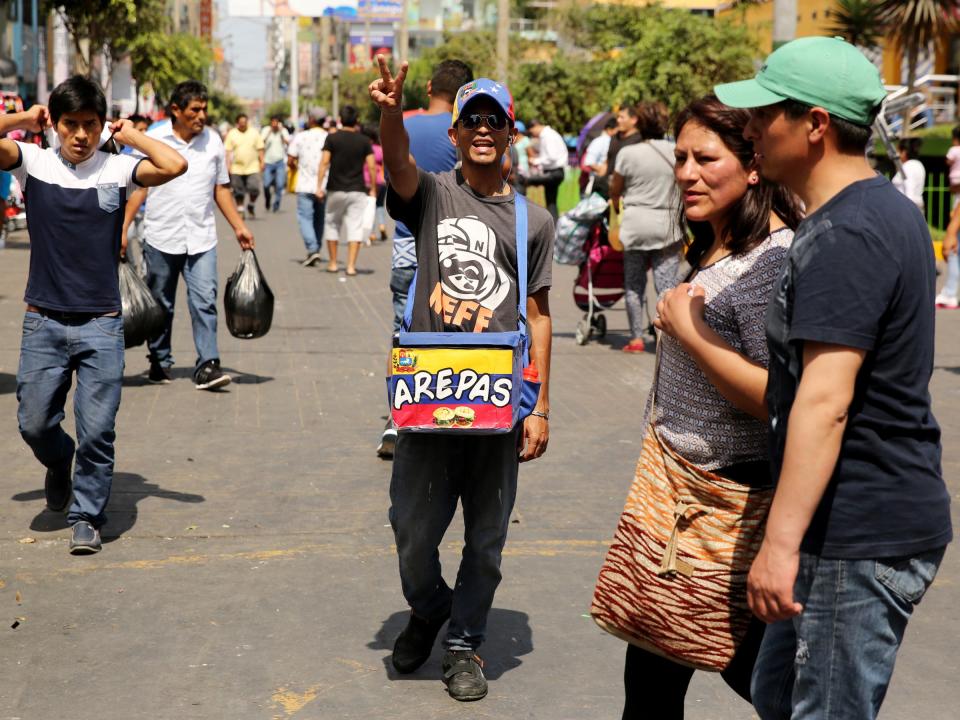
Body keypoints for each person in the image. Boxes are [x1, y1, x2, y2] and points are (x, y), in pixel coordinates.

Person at [716, 36, 952, 719]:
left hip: (860, 530)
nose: (751, 129)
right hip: (858, 519)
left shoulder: (848, 233)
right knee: (779, 693)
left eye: (767, 114)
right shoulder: (881, 213)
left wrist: (778, 547)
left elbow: (825, 402)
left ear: (815, 124)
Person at [371, 60, 554, 701]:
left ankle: (461, 644)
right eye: (471, 119)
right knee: (412, 530)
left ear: (510, 134)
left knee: (487, 537)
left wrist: (541, 407)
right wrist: (392, 110)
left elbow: (538, 315)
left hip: (498, 404)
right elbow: (396, 166)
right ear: (454, 133)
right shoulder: (434, 195)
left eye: (494, 121)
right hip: (430, 397)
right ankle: (428, 605)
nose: (482, 130)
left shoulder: (535, 222)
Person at [617, 94, 802, 719]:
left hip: (725, 509)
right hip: (678, 499)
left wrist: (694, 332)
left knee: (761, 680)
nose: (687, 173)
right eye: (681, 158)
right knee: (653, 680)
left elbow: (778, 397)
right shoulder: (713, 244)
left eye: (706, 158)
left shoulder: (770, 261)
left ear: (753, 166)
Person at [6, 76, 186, 554]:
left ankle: (87, 515)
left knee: (98, 428)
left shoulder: (119, 168)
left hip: (102, 323)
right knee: (34, 422)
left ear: (102, 125)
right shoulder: (34, 164)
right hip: (42, 321)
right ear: (56, 124)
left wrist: (130, 136)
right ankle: (58, 460)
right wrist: (24, 120)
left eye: (91, 125)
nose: (81, 135)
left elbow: (175, 163)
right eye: (71, 125)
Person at [121, 80, 255, 391]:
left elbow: (220, 188)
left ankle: (208, 364)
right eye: (195, 109)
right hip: (160, 235)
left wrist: (239, 226)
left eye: (204, 109)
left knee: (204, 300)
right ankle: (159, 360)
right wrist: (123, 228)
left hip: (201, 237)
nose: (201, 115)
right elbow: (140, 187)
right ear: (176, 110)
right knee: (161, 303)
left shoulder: (213, 142)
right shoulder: (153, 140)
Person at [376, 59, 473, 460]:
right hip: (460, 251)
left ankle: (398, 417)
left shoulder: (408, 126)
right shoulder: (468, 134)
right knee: (459, 330)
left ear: (430, 85)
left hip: (407, 245)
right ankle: (462, 410)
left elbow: (393, 172)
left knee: (407, 333)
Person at [609, 101, 685, 353]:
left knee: (633, 284)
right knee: (666, 286)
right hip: (668, 224)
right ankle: (665, 338)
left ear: (639, 124)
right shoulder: (678, 151)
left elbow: (615, 190)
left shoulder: (628, 154)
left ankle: (636, 338)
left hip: (636, 225)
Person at [317, 105, 376, 275]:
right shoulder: (364, 141)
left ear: (340, 120)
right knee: (355, 227)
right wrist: (372, 188)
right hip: (357, 189)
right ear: (357, 120)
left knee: (332, 224)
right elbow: (372, 167)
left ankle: (333, 263)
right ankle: (351, 266)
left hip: (335, 189)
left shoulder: (332, 138)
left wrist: (319, 187)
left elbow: (324, 163)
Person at [287, 109, 329, 267]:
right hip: (323, 185)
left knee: (305, 218)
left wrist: (295, 166)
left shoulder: (301, 136)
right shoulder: (328, 137)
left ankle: (312, 250)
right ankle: (316, 248)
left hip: (305, 184)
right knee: (319, 219)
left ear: (311, 119)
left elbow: (290, 159)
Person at [521, 118, 568, 219]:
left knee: (526, 180)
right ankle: (554, 225)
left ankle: (521, 208)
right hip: (554, 171)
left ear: (535, 126)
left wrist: (535, 161)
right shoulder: (548, 135)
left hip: (554, 172)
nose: (532, 135)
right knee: (551, 202)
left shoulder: (548, 136)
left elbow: (551, 157)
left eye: (531, 132)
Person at [224, 113, 264, 219]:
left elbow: (260, 148)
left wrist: (262, 162)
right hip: (237, 168)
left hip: (253, 166)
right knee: (238, 191)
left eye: (245, 122)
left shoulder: (254, 133)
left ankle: (251, 204)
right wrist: (227, 166)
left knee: (255, 188)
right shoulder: (232, 134)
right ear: (237, 123)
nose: (243, 125)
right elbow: (228, 151)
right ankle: (240, 209)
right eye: (241, 123)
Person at [362, 124, 388, 243]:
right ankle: (382, 225)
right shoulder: (380, 149)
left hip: (368, 181)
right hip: (381, 181)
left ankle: (371, 232)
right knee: (380, 205)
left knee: (369, 207)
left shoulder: (365, 148)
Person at [261, 114, 290, 213]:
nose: (274, 125)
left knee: (280, 185)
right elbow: (261, 143)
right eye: (273, 122)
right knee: (266, 185)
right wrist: (269, 132)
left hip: (280, 162)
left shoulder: (283, 131)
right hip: (268, 162)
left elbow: (288, 142)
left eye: (276, 123)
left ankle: (276, 204)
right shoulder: (266, 130)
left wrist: (281, 132)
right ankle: (268, 199)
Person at [581, 116, 617, 194]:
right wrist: (604, 171)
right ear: (609, 129)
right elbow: (589, 162)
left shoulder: (613, 141)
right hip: (599, 183)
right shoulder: (600, 141)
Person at [891, 137, 924, 210]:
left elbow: (909, 191)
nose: (897, 154)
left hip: (905, 209)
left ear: (904, 152)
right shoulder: (919, 165)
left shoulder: (907, 167)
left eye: (898, 151)